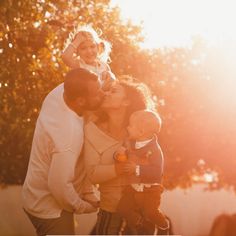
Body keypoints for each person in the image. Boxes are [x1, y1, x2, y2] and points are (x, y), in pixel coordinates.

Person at [22, 68, 104, 236]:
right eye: (97, 93)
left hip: (33, 194)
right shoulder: (69, 134)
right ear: (80, 101)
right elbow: (59, 186)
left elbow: (78, 75)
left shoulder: (57, 94)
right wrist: (84, 207)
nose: (102, 94)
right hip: (50, 208)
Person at [83, 78, 156, 235]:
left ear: (126, 102)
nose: (106, 94)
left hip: (140, 211)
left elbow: (153, 166)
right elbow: (92, 174)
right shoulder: (92, 131)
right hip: (109, 211)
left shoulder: (141, 130)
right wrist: (120, 168)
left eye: (113, 91)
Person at [114, 110, 169, 235]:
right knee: (122, 208)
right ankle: (138, 222)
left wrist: (137, 169)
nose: (127, 127)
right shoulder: (130, 143)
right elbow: (121, 159)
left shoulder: (155, 150)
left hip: (150, 190)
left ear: (141, 132)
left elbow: (157, 172)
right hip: (132, 187)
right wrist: (119, 155)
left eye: (130, 125)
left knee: (150, 212)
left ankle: (163, 223)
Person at [62, 25, 115, 90]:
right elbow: (65, 57)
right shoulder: (79, 65)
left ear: (98, 47)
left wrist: (111, 77)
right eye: (83, 48)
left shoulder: (104, 66)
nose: (89, 51)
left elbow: (112, 84)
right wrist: (77, 41)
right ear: (77, 51)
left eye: (92, 46)